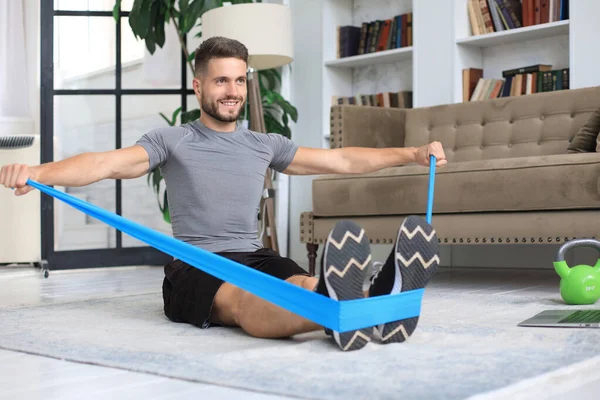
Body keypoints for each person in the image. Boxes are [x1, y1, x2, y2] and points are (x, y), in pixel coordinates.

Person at [0, 36, 447, 351]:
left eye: (238, 80)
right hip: (196, 263)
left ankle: (358, 300)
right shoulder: (171, 140)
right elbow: (103, 163)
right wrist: (36, 170)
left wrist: (412, 152)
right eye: (220, 81)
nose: (232, 91)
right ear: (198, 87)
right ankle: (358, 307)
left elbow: (343, 160)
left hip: (254, 254)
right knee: (245, 302)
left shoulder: (263, 143)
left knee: (298, 283)